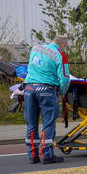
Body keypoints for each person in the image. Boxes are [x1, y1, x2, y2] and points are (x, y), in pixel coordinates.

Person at [23, 35, 72, 164]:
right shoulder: (60, 55)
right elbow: (65, 78)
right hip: (46, 90)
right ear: (63, 45)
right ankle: (47, 155)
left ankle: (33, 155)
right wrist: (62, 92)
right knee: (48, 123)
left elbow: (30, 68)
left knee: (31, 124)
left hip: (29, 89)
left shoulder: (35, 49)